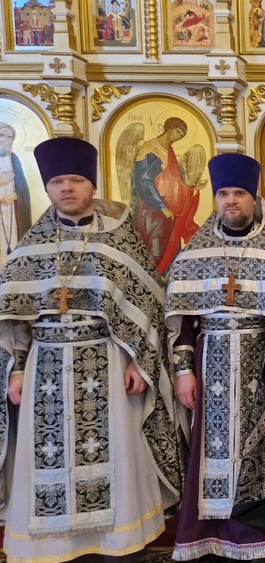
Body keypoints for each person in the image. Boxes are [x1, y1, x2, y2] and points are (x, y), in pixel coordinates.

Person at [0, 137, 184, 561]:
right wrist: (17, 368)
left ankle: (115, 545)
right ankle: (53, 549)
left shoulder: (118, 240)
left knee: (115, 456)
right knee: (45, 457)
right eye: (58, 182)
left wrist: (138, 361)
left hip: (107, 362)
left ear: (92, 184)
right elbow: (15, 318)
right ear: (47, 187)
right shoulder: (30, 247)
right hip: (45, 369)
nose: (67, 188)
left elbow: (147, 305)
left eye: (76, 180)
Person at [167, 153, 265, 560]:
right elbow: (183, 320)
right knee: (211, 453)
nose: (231, 201)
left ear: (254, 198)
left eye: (239, 193)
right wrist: (184, 371)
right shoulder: (196, 252)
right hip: (211, 364)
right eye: (223, 193)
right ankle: (212, 539)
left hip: (264, 362)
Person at [132, 116, 202, 273]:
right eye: (178, 132)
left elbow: (173, 182)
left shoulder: (169, 151)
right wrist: (161, 206)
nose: (179, 137)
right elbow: (144, 181)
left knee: (171, 246)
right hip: (152, 210)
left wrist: (191, 188)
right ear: (168, 129)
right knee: (156, 247)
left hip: (168, 210)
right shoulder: (150, 150)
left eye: (182, 135)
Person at [0, 123, 31, 264]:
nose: (6, 140)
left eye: (9, 137)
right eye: (2, 135)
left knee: (12, 238)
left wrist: (15, 196)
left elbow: (22, 188)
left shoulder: (14, 159)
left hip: (12, 209)